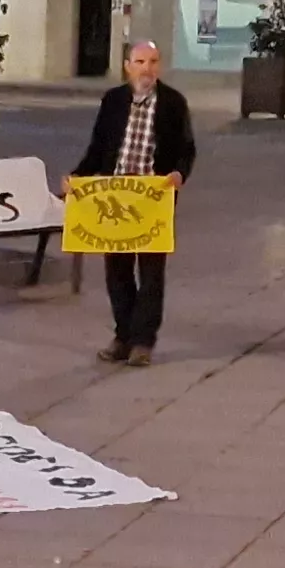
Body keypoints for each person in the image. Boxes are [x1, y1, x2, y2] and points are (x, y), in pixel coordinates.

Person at [76, 39, 196, 366]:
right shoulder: (114, 101)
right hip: (114, 195)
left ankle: (143, 340)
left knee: (151, 271)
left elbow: (186, 148)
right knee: (117, 269)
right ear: (128, 66)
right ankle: (123, 335)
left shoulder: (172, 103)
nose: (147, 69)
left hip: (152, 197)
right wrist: (77, 178)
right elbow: (98, 147)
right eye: (141, 62)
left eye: (153, 62)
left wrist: (178, 175)